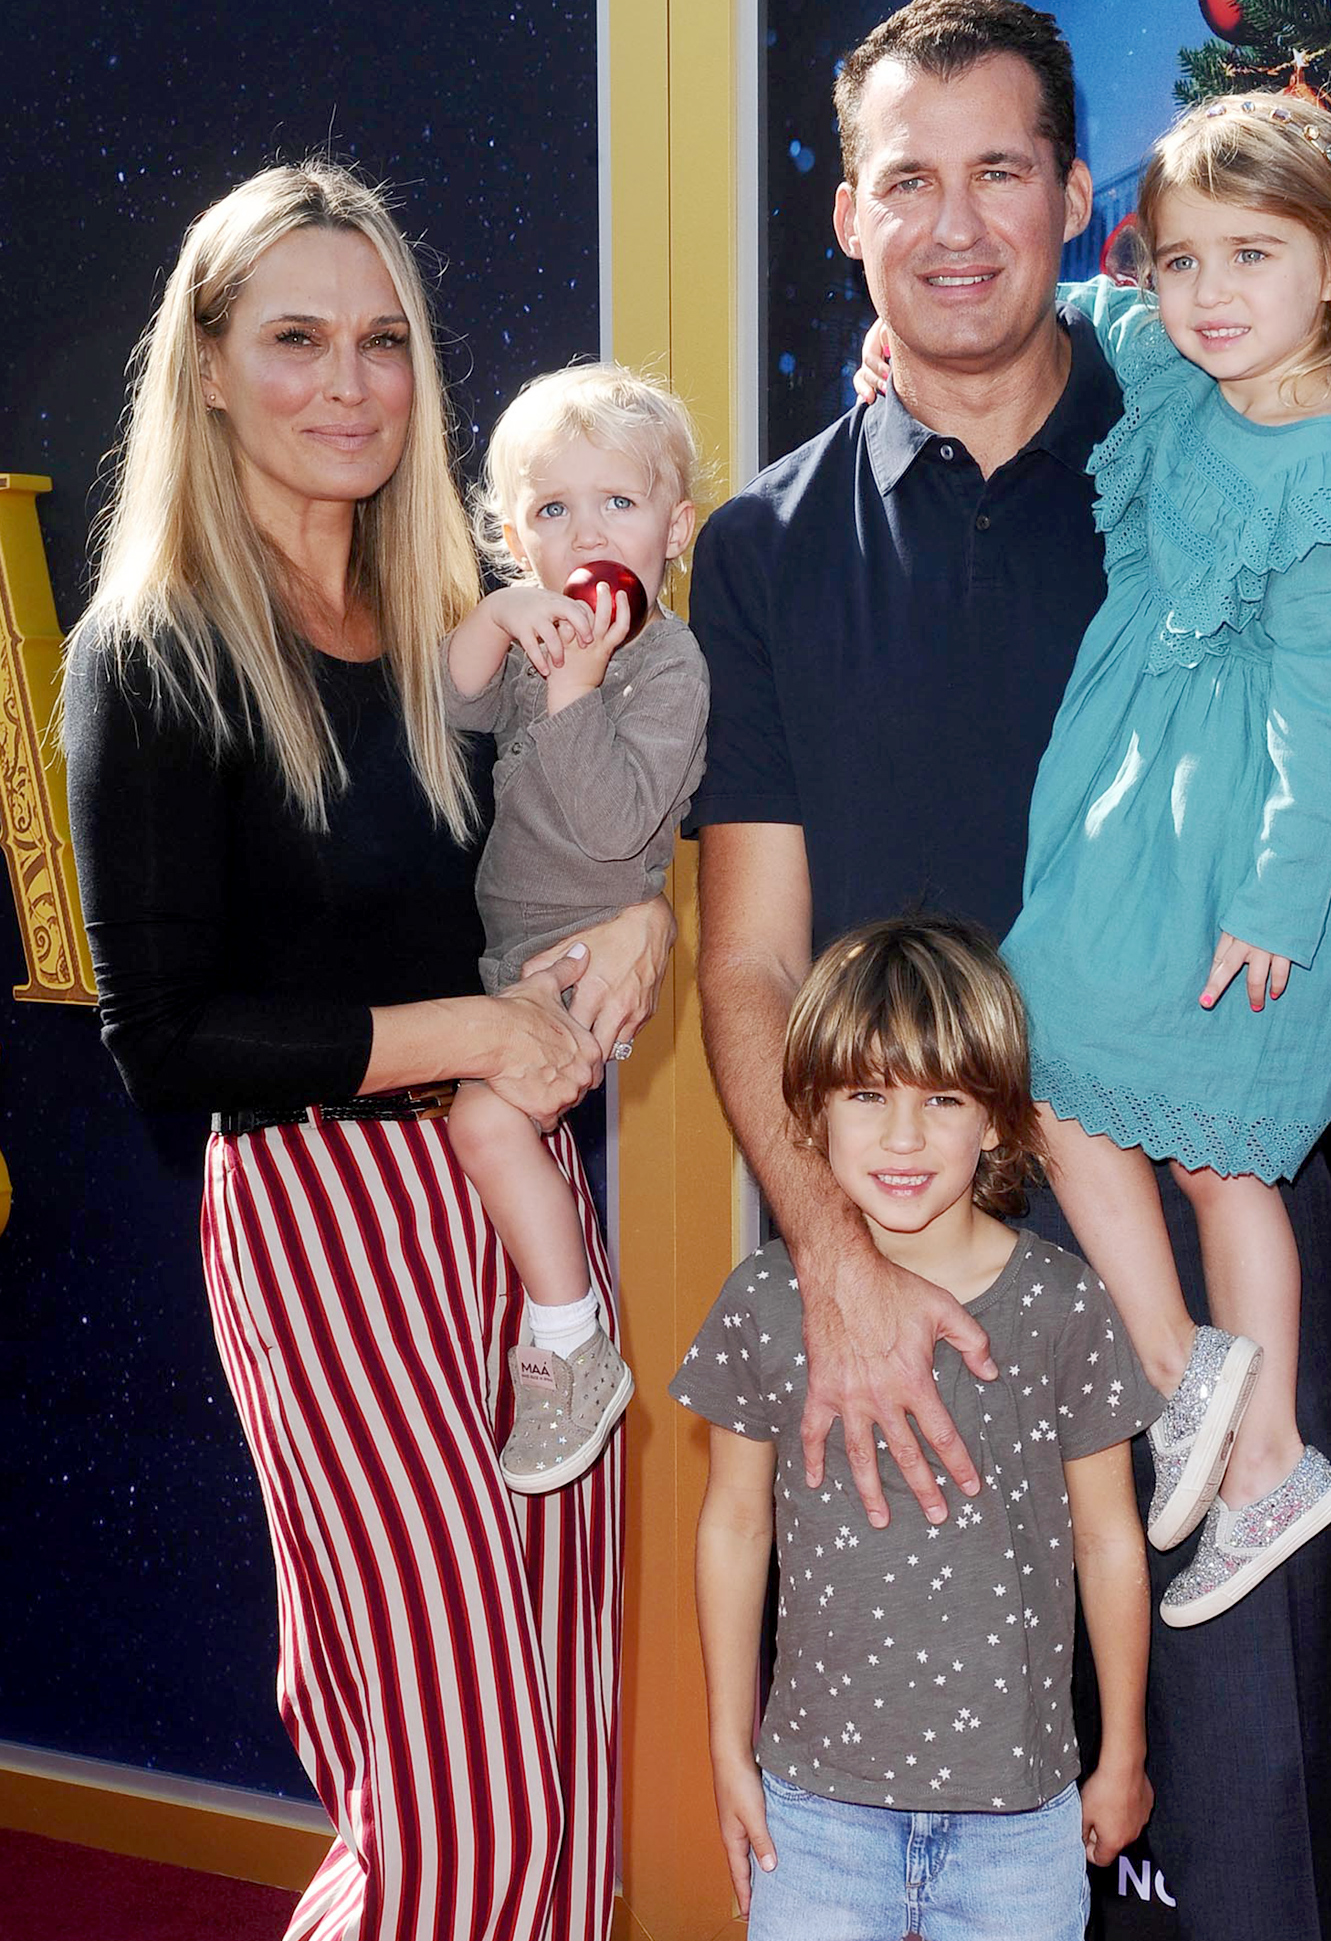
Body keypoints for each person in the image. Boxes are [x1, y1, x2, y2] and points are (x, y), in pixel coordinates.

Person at [690, 0, 1331, 1941]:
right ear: (848, 215)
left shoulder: (1222, 465)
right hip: (904, 1293)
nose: (956, 222)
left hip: (1206, 1254)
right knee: (916, 1875)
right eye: (908, 179)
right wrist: (835, 1259)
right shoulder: (763, 552)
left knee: (1244, 1843)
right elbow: (750, 967)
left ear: (1079, 199)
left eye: (1003, 171)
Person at [63, 162, 669, 1941]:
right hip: (327, 1231)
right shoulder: (152, 652)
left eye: (385, 341)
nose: (350, 383)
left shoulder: (457, 624)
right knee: (464, 1805)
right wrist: (469, 1028)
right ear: (208, 366)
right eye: (298, 339)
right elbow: (163, 1039)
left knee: (563, 1768)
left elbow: (573, 838)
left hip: (521, 1220)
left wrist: (639, 917)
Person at [976, 97, 1331, 1625]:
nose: (1206, 293)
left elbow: (1328, 718)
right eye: (1182, 258)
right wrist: (905, 338)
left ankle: (1185, 1374)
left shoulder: (1329, 480)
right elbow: (1094, 308)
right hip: (1156, 815)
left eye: (1251, 256)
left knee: (1160, 1116)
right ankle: (1268, 1466)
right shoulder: (1187, 379)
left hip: (1251, 849)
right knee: (1192, 1141)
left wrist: (1276, 904)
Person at [674, 915, 1158, 1939]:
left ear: (997, 1120)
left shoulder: (1063, 1303)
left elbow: (1110, 1537)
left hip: (1020, 1824)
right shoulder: (763, 1299)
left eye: (942, 1098)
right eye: (866, 1095)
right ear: (810, 1113)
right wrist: (726, 1747)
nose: (903, 1137)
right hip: (813, 1814)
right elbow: (734, 1525)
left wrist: (1124, 1750)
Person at [443, 363, 708, 1493]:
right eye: (553, 510)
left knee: (485, 1126)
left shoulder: (667, 666)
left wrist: (577, 686)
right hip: (505, 957)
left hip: (584, 957)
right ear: (518, 538)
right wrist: (496, 619)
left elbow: (610, 827)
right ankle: (555, 1321)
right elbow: (447, 709)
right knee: (486, 1135)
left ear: (674, 529)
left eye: (619, 503)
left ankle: (572, 1342)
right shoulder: (541, 635)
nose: (587, 533)